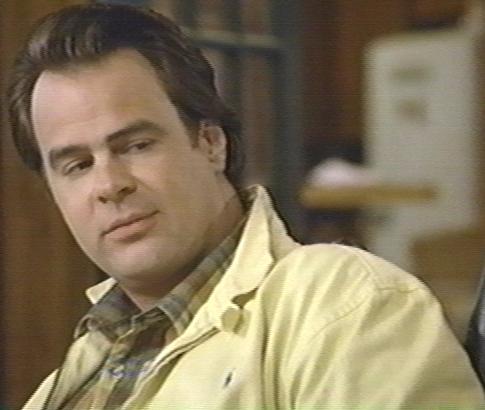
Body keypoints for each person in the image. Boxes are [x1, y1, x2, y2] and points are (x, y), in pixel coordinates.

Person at [7, 4, 484, 409]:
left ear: (211, 144)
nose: (110, 185)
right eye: (77, 166)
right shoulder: (74, 372)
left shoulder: (340, 304)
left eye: (136, 145)